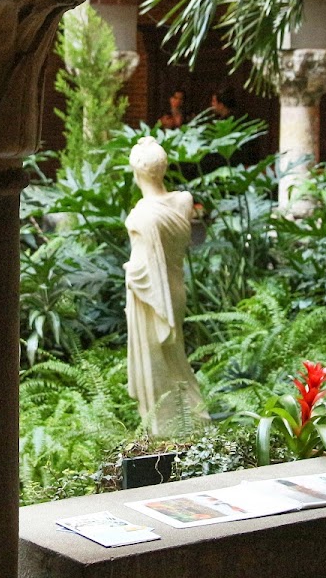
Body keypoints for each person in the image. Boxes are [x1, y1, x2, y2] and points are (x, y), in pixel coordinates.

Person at [123, 136, 209, 436]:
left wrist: (129, 274)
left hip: (151, 297)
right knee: (177, 357)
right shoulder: (183, 201)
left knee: (158, 361)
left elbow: (141, 270)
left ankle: (165, 429)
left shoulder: (141, 216)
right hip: (175, 290)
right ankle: (195, 419)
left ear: (137, 173)